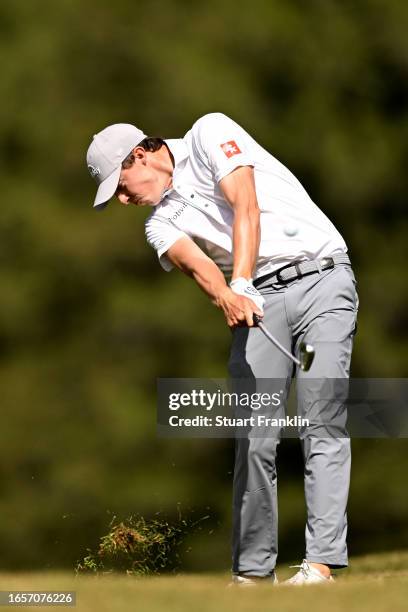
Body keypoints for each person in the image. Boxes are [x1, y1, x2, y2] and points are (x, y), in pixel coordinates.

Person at [86, 113, 359, 585]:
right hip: (258, 301)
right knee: (254, 438)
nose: (125, 200)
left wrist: (241, 280)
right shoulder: (158, 223)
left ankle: (320, 564)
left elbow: (245, 205)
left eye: (122, 185)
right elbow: (198, 268)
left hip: (321, 278)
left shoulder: (210, 132)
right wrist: (229, 295)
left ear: (140, 155)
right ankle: (253, 574)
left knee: (321, 417)